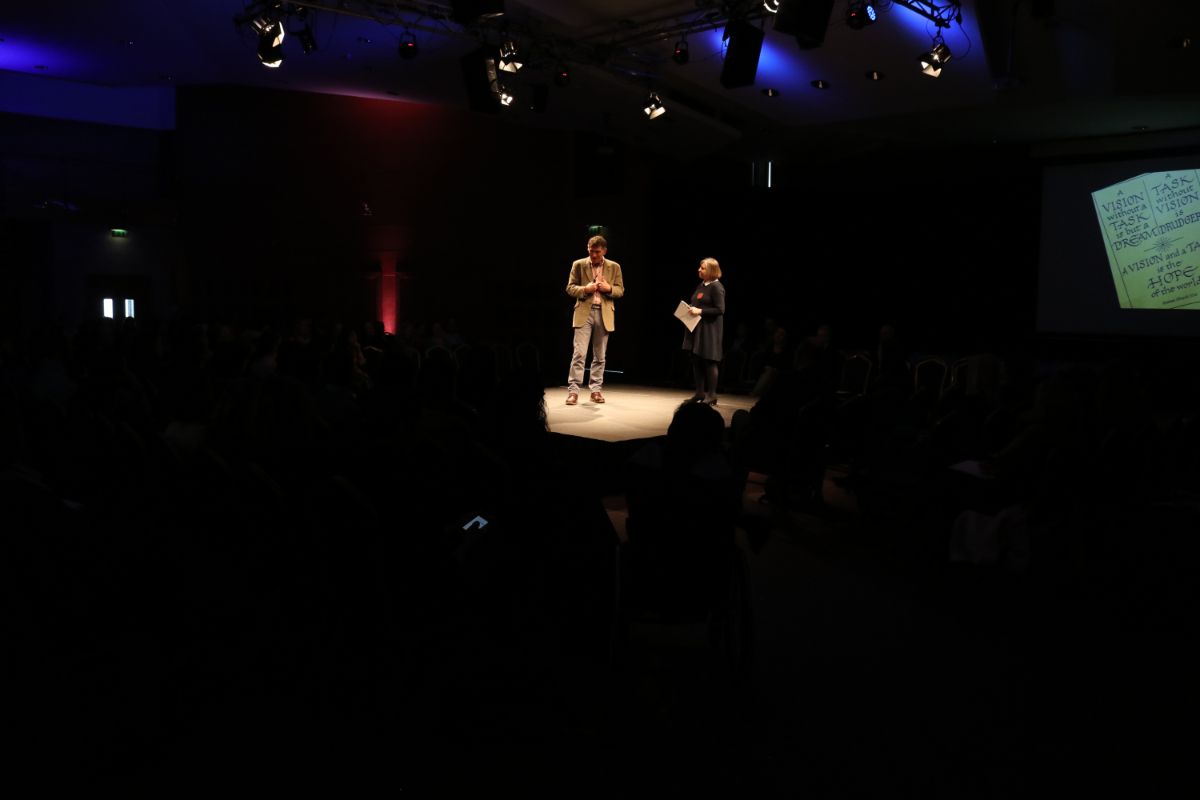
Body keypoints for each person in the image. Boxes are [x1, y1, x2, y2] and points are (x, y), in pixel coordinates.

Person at [565, 235, 624, 405]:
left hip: (604, 313)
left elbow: (620, 290)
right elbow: (570, 288)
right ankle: (573, 391)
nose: (593, 255)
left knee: (600, 355)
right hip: (584, 312)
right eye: (591, 251)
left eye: (597, 252)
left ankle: (596, 390)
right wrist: (586, 289)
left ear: (604, 251)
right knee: (579, 353)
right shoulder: (578, 264)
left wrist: (609, 288)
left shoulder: (614, 267)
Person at [682, 257, 725, 405]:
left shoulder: (716, 287)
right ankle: (700, 392)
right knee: (697, 360)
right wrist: (690, 309)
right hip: (697, 328)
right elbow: (698, 302)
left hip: (710, 330)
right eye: (700, 267)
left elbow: (720, 309)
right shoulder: (701, 285)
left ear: (712, 270)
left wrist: (700, 311)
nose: (699, 270)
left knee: (709, 361)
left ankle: (712, 394)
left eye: (703, 268)